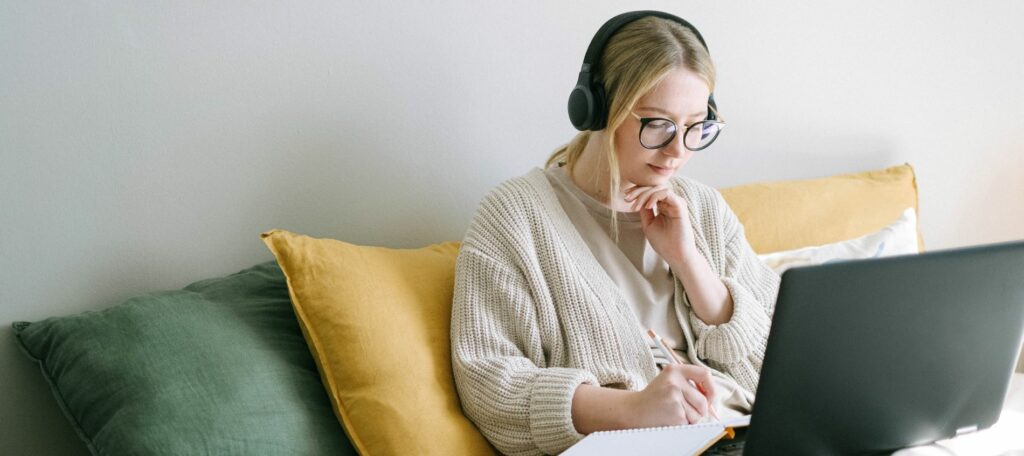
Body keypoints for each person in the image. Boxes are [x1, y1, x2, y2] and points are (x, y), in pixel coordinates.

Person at [450, 11, 781, 455]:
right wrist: (632, 409)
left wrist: (690, 263)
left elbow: (784, 363)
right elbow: (489, 383)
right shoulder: (515, 218)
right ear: (599, 109)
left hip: (751, 435)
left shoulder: (702, 208)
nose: (678, 151)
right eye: (657, 124)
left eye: (695, 126)